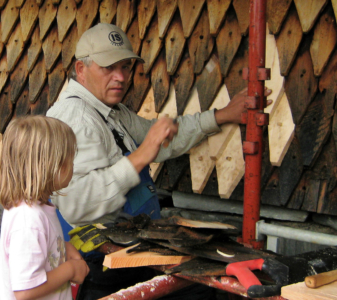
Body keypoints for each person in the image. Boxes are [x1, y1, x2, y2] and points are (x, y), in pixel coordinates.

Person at [46, 23, 272, 299]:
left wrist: (220, 116)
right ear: (81, 70)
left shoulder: (109, 111)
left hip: (127, 249)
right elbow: (78, 205)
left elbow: (162, 138)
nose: (120, 77)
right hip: (100, 264)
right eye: (108, 68)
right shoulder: (76, 118)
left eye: (126, 67)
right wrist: (142, 154)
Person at [0, 116, 90, 300]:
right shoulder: (28, 220)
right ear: (51, 166)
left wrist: (64, 248)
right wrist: (70, 270)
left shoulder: (36, 209)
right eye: (69, 158)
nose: (73, 165)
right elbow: (25, 290)